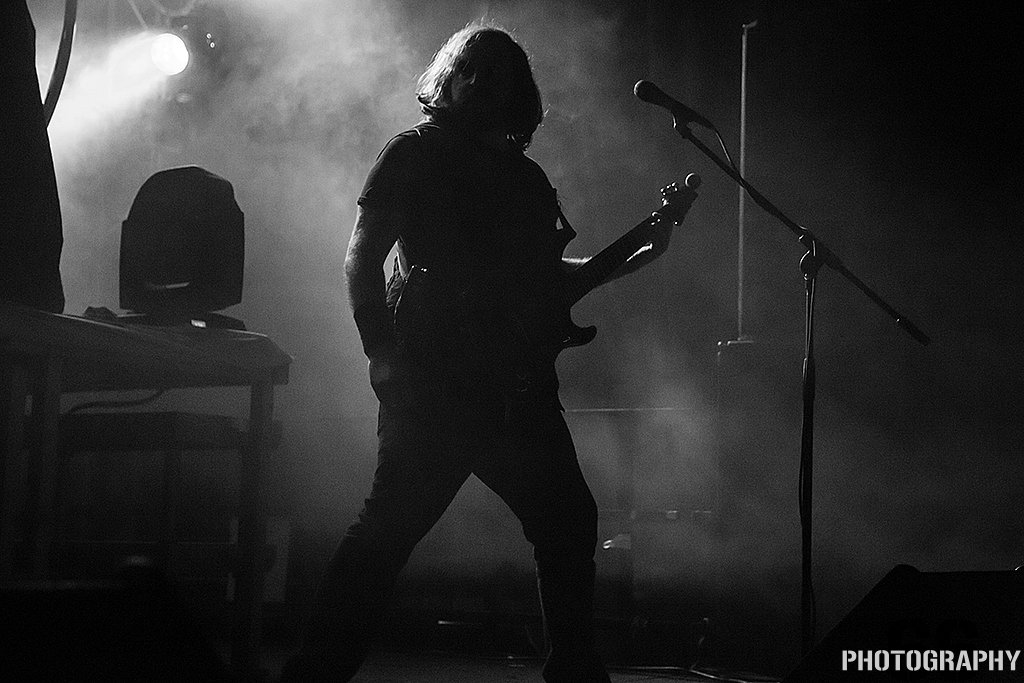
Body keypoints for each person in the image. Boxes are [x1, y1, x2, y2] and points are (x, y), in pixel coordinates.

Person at [284, 23, 672, 682]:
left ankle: (575, 667)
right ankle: (313, 673)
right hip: (435, 379)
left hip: (515, 386)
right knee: (388, 530)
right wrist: (381, 352)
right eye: (472, 68)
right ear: (449, 79)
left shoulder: (527, 178)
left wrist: (640, 251)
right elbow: (362, 255)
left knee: (567, 519)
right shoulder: (414, 152)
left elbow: (548, 284)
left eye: (501, 73)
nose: (485, 81)